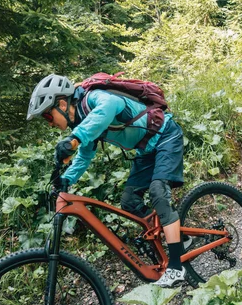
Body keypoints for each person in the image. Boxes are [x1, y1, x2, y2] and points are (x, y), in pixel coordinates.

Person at [27, 74, 187, 287]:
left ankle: (176, 267)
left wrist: (74, 138)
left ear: (63, 104)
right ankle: (178, 236)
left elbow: (108, 107)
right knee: (129, 201)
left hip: (166, 134)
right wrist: (64, 180)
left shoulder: (92, 99)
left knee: (158, 191)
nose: (50, 124)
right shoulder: (84, 121)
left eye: (48, 117)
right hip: (146, 150)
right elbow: (84, 156)